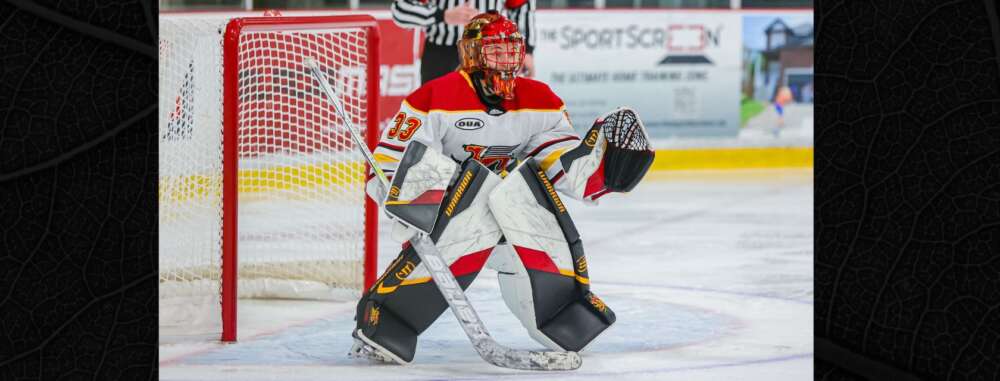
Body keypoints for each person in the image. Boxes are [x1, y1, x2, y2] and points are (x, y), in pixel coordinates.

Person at [349, 12, 653, 365]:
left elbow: (555, 162)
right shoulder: (434, 96)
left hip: (502, 216)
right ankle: (388, 319)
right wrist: (414, 208)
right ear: (473, 54)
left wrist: (599, 166)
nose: (507, 61)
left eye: (512, 51)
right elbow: (387, 168)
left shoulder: (540, 99)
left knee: (532, 200)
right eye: (496, 50)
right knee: (478, 194)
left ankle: (562, 316)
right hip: (447, 221)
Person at [391, 0, 536, 84]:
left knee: (489, 120)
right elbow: (401, 10)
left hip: (490, 53)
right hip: (441, 53)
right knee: (437, 117)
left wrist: (527, 49)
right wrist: (443, 15)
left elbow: (523, 7)